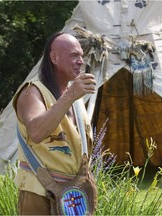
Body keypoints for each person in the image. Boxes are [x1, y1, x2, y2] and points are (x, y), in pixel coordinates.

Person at [13, 32, 97, 215]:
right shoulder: (32, 92)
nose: (81, 61)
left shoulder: (74, 95)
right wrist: (70, 95)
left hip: (74, 194)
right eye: (74, 55)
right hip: (39, 193)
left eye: (81, 56)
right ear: (54, 57)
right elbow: (36, 132)